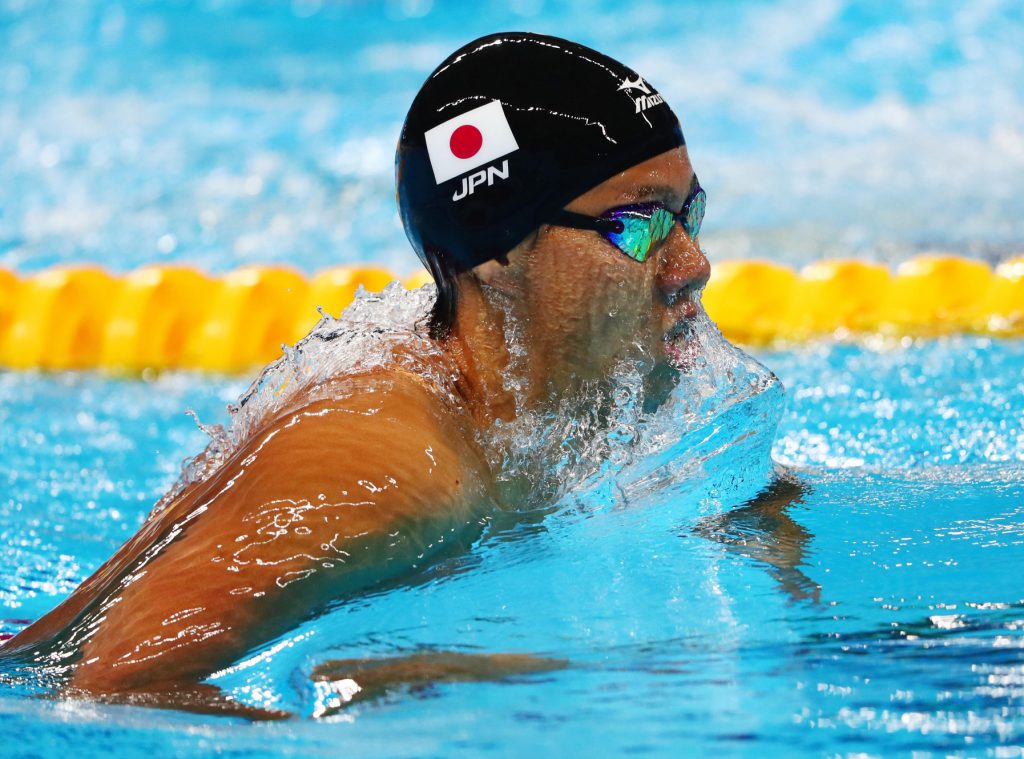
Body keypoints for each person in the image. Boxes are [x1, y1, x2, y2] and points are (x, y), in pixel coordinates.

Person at [0, 32, 719, 716]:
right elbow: (114, 685)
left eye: (689, 214)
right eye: (638, 224)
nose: (693, 265)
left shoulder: (559, 400)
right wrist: (429, 701)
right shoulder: (395, 464)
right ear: (498, 251)